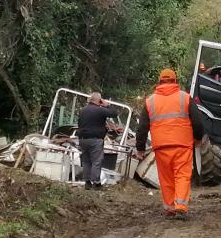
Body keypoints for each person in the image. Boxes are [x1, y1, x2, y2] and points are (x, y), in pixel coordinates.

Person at [134, 69, 204, 219]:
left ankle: (170, 208)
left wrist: (140, 148)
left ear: (159, 81)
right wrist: (197, 138)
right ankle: (181, 206)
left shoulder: (150, 101)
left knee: (166, 178)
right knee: (182, 176)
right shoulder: (185, 98)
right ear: (175, 81)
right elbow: (198, 122)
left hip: (161, 147)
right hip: (182, 145)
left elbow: (142, 129)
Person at [77, 92, 118, 190]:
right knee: (96, 161)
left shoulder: (83, 110)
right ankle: (96, 183)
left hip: (82, 139)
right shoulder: (100, 110)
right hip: (95, 139)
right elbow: (114, 114)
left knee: (86, 161)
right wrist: (107, 105)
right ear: (99, 100)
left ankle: (87, 182)